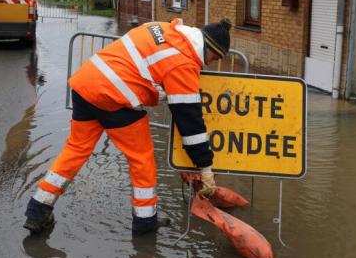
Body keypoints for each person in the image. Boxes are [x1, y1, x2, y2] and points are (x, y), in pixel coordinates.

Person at [24, 18, 232, 234]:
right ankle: (145, 222)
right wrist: (204, 166)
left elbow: (139, 65)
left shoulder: (161, 28)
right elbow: (190, 122)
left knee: (75, 150)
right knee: (142, 159)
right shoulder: (183, 63)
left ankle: (38, 210)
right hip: (113, 97)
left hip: (86, 85)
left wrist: (157, 92)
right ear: (207, 47)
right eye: (214, 57)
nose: (210, 63)